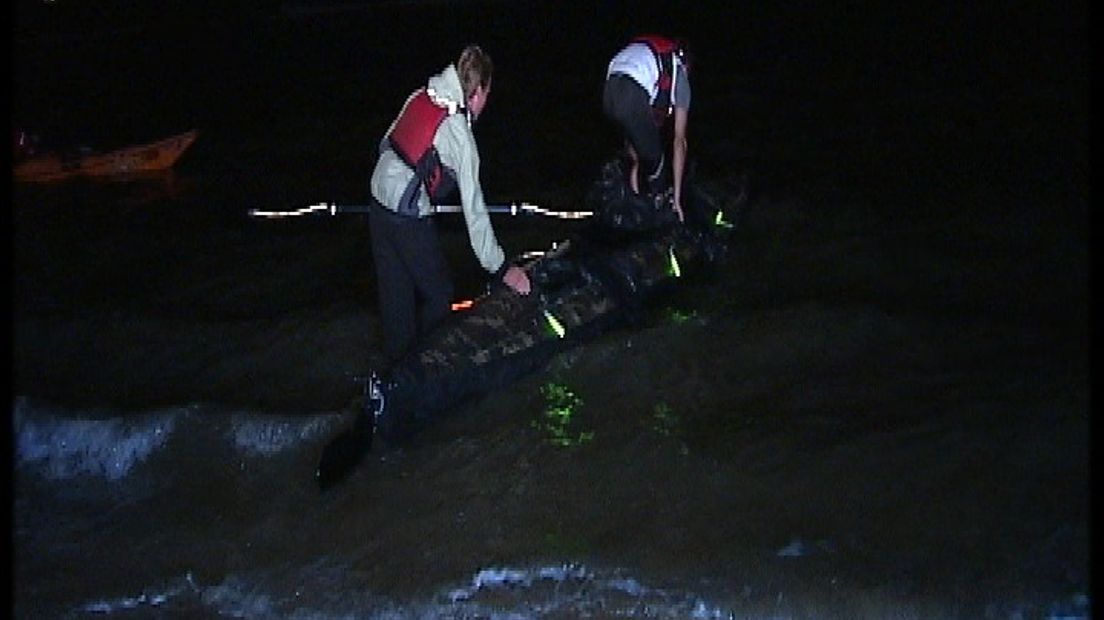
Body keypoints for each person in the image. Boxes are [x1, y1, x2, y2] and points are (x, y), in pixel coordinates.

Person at [368, 44, 531, 364]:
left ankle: (392, 370)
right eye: (488, 92)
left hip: (377, 201)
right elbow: (475, 213)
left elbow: (387, 142)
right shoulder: (460, 135)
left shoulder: (421, 95)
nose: (487, 101)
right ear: (478, 91)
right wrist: (500, 268)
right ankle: (425, 367)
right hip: (405, 214)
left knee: (396, 296)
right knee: (439, 293)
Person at [602, 34, 692, 222]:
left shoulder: (653, 61)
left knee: (637, 156)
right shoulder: (679, 72)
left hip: (609, 90)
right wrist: (677, 197)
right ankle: (664, 216)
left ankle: (633, 212)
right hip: (630, 91)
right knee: (656, 164)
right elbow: (679, 141)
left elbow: (638, 143)